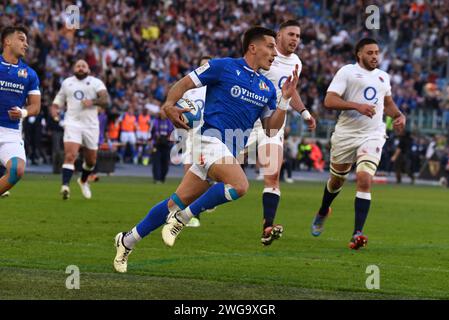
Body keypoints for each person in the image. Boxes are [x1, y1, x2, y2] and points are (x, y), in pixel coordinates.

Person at [113, 26, 299, 273]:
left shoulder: (266, 88)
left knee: (174, 202)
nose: (275, 53)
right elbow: (185, 83)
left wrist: (285, 100)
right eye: (270, 46)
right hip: (209, 140)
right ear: (253, 47)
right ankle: (184, 219)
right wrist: (168, 104)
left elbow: (272, 130)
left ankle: (127, 240)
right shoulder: (223, 66)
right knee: (240, 185)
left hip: (227, 151)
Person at [310, 38, 406, 250]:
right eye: (370, 52)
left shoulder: (383, 77)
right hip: (345, 134)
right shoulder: (347, 72)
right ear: (359, 54)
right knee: (336, 181)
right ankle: (324, 209)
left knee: (364, 178)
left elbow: (387, 104)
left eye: (377, 52)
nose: (375, 56)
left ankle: (357, 233)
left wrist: (399, 115)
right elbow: (329, 100)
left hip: (372, 134)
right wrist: (357, 106)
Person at [246, 20, 316, 245]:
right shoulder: (265, 54)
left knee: (272, 175)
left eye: (298, 35)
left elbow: (290, 90)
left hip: (273, 123)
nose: (295, 39)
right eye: (291, 34)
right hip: (247, 121)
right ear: (279, 34)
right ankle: (185, 209)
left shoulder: (296, 62)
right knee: (215, 170)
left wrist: (304, 113)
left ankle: (267, 227)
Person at [50, 59, 109, 200]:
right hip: (72, 123)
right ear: (74, 68)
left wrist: (93, 101)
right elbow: (57, 102)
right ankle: (65, 186)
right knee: (70, 155)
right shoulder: (67, 83)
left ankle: (83, 180)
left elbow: (105, 100)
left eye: (83, 66)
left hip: (91, 125)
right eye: (78, 66)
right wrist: (54, 111)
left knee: (91, 161)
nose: (81, 68)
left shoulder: (96, 82)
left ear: (88, 69)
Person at [0, 26, 41, 198]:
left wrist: (23, 113)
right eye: (22, 39)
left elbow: (35, 106)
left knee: (17, 170)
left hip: (11, 133)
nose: (26, 45)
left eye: (26, 41)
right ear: (7, 41)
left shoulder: (30, 74)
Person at [180, 55, 211, 227]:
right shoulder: (189, 90)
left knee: (208, 177)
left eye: (208, 65)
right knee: (188, 176)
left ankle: (207, 200)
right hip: (192, 136)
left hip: (212, 136)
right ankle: (192, 216)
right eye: (202, 66)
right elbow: (181, 113)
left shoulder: (218, 88)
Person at [151, 109, 174, 183]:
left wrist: (168, 138)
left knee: (165, 162)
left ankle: (162, 178)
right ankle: (156, 178)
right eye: (162, 112)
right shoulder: (155, 121)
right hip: (157, 144)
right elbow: (153, 132)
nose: (163, 114)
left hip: (166, 144)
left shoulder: (169, 122)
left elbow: (171, 132)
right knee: (156, 161)